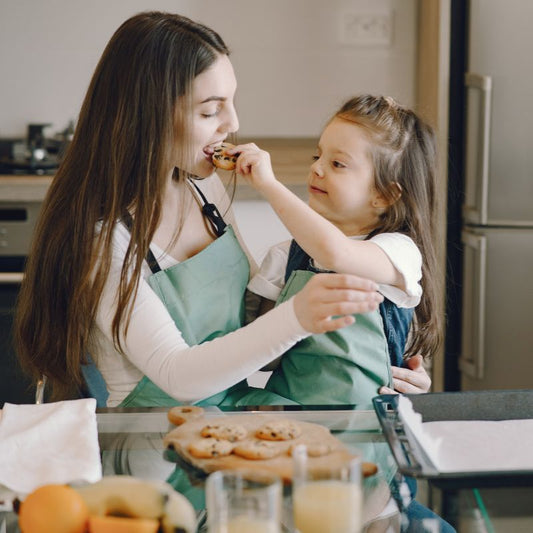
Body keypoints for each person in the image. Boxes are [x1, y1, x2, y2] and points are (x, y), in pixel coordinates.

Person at [13, 11, 384, 408]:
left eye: (231, 103)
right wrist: (295, 316)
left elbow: (249, 337)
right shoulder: (100, 237)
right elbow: (177, 375)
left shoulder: (206, 189)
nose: (233, 122)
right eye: (210, 110)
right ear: (148, 114)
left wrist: (372, 362)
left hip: (233, 414)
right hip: (152, 441)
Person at [232, 94, 443, 407]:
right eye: (317, 156)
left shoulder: (397, 251)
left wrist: (269, 186)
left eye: (337, 163)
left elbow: (339, 255)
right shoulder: (284, 257)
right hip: (293, 419)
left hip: (367, 424)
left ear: (385, 195)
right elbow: (265, 359)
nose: (317, 169)